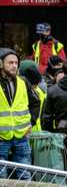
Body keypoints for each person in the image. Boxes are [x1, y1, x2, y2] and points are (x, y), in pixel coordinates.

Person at [0, 48, 40, 177]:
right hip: (2, 138)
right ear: (1, 64)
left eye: (16, 63)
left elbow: (35, 102)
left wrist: (31, 123)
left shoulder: (23, 81)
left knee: (25, 175)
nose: (14, 66)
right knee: (1, 177)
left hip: (21, 136)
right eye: (10, 63)